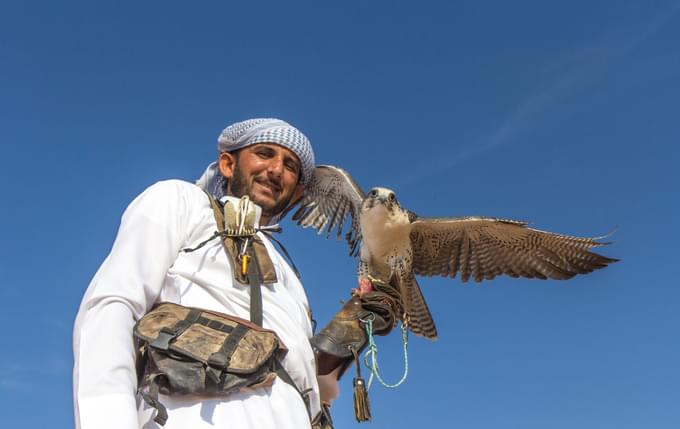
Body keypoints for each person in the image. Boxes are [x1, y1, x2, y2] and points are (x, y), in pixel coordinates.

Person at [73, 118, 335, 429]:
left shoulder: (290, 273)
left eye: (290, 165)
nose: (277, 170)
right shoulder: (183, 201)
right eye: (264, 153)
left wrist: (350, 332)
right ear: (227, 163)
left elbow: (302, 376)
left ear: (297, 192)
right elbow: (113, 305)